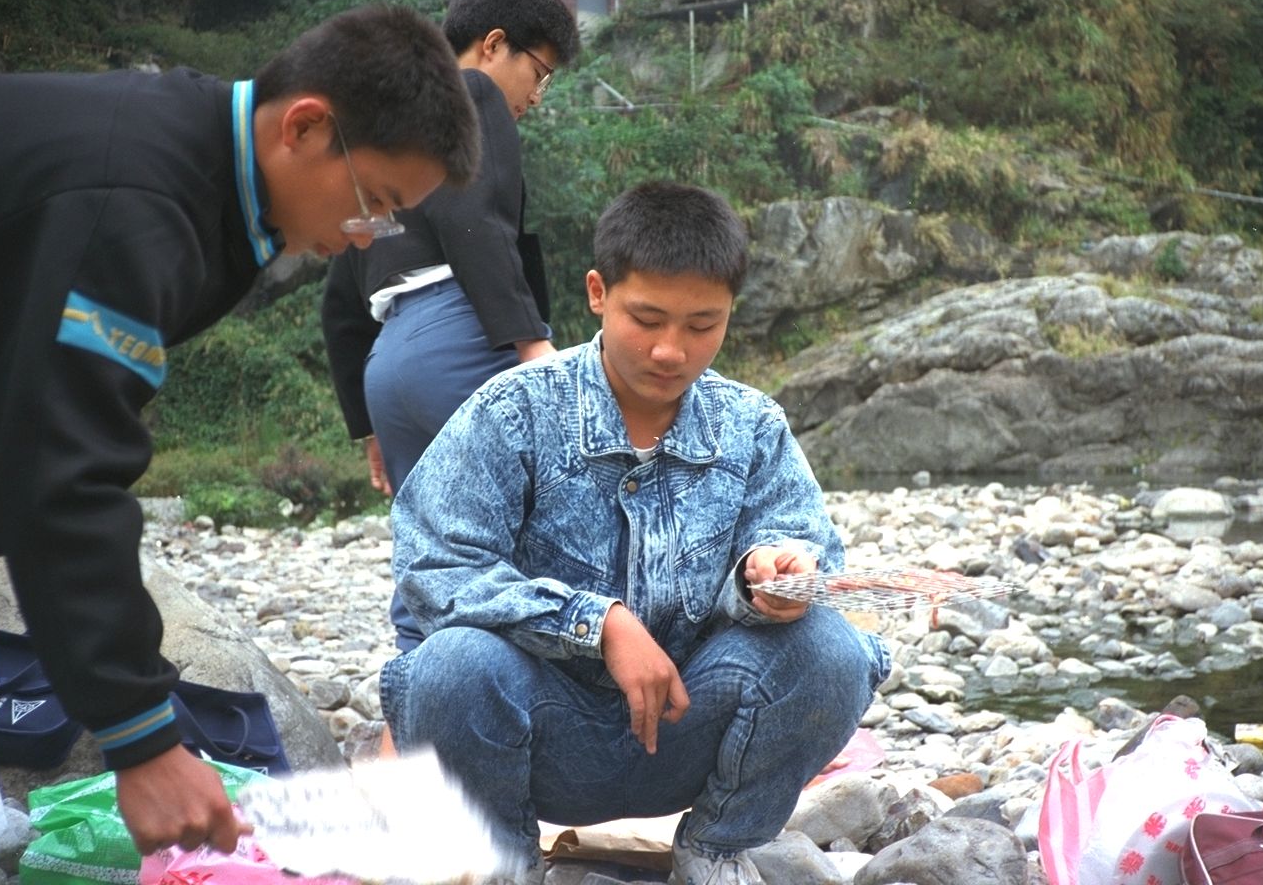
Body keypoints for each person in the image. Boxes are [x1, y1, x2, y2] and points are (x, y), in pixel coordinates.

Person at [0, 3, 480, 884]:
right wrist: (142, 737)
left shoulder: (218, 205)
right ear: (306, 126)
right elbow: (68, 468)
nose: (366, 236)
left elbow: (28, 389)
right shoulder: (133, 198)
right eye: (377, 202)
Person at [379, 182, 891, 885]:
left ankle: (713, 851)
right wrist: (600, 625)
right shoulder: (514, 411)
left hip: (691, 730)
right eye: (646, 319)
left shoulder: (752, 426)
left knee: (832, 648)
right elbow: (437, 569)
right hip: (536, 733)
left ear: (730, 314)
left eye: (701, 325)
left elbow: (803, 545)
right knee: (447, 668)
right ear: (597, 292)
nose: (669, 351)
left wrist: (771, 575)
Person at [320, 0, 578, 653]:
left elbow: (339, 299)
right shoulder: (472, 95)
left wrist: (367, 424)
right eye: (540, 71)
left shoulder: (378, 138)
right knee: (542, 529)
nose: (539, 95)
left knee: (428, 555)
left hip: (390, 364)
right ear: (493, 45)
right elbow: (475, 224)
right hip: (463, 332)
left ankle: (415, 712)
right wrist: (531, 346)